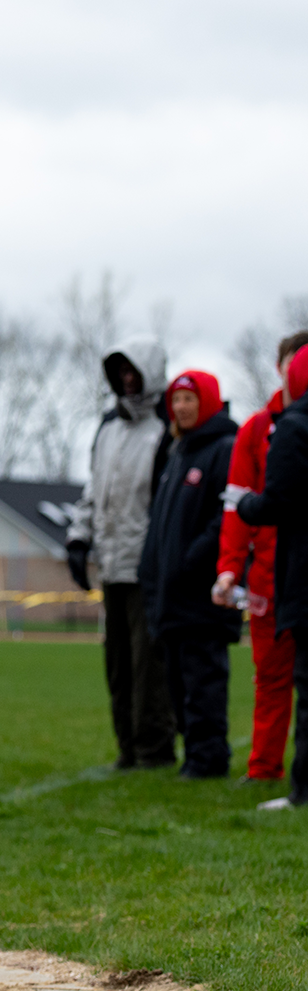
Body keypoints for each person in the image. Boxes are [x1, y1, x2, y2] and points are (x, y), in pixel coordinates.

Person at [67, 337, 178, 771]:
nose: (128, 379)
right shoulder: (107, 430)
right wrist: (79, 540)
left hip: (145, 570)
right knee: (117, 664)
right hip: (111, 566)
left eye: (134, 371)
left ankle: (155, 749)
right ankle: (127, 748)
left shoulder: (163, 433)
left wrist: (157, 559)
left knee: (148, 665)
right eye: (121, 372)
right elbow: (94, 491)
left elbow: (164, 507)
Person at [214, 332, 308, 783]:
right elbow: (237, 505)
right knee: (270, 678)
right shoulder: (256, 429)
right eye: (291, 361)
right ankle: (264, 768)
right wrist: (229, 568)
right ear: (280, 368)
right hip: (269, 579)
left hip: (301, 572)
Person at [140, 370, 241, 779]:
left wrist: (192, 560)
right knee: (178, 684)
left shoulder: (224, 449)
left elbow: (225, 518)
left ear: (207, 402)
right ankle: (195, 754)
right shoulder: (176, 454)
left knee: (204, 683)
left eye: (189, 399)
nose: (181, 408)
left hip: (201, 597)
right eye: (176, 401)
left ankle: (209, 759)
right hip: (171, 598)